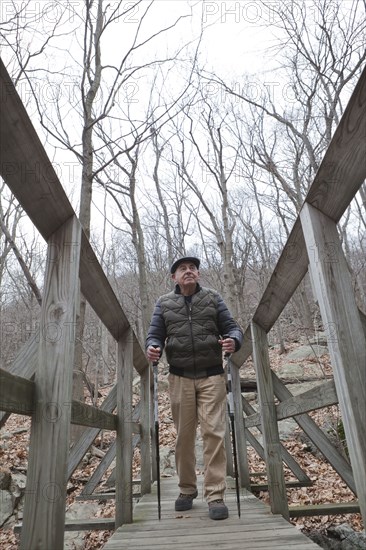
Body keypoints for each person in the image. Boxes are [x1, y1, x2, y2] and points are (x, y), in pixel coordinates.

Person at [145, 256, 243, 520]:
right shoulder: (164, 303)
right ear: (173, 277)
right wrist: (152, 347)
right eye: (182, 269)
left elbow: (233, 329)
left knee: (214, 433)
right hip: (179, 377)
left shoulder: (213, 298)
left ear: (198, 274)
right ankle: (187, 489)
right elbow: (154, 334)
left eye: (192, 268)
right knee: (184, 436)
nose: (188, 271)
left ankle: (215, 495)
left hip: (212, 375)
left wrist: (234, 341)